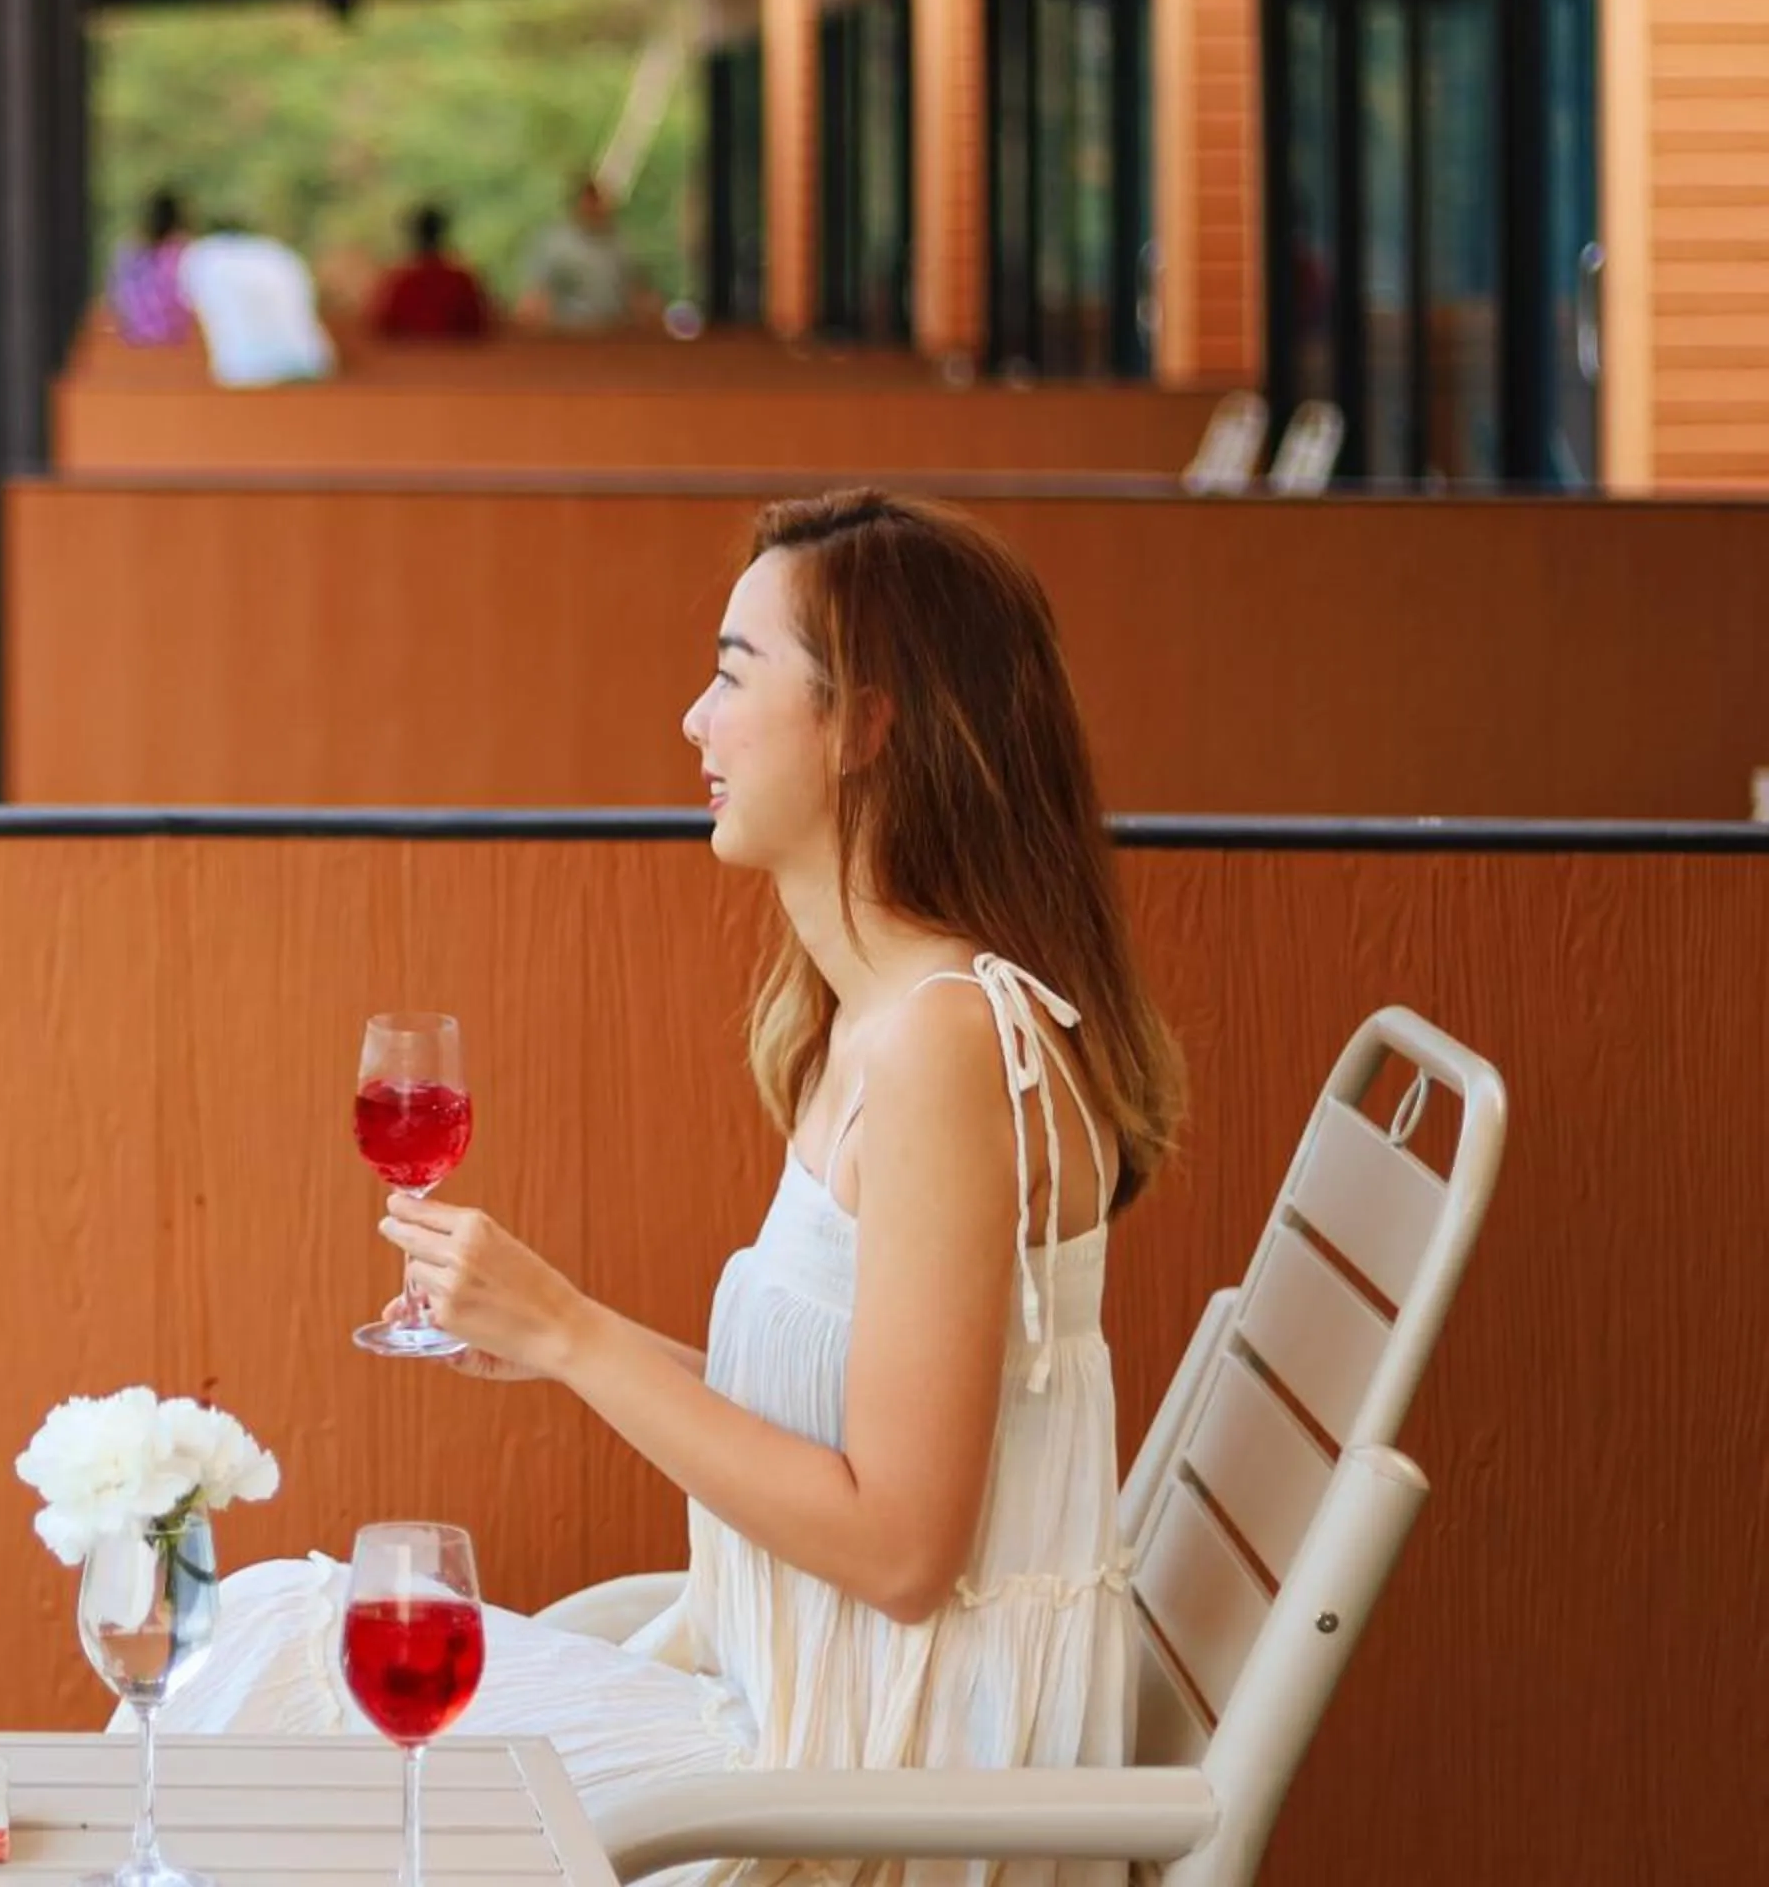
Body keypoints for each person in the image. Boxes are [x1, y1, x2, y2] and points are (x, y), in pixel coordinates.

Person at [154, 490, 1189, 1887]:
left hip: (876, 1787)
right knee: (263, 1641)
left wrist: (574, 1330)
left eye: (734, 675)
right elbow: (854, 1423)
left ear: (865, 726)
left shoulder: (947, 1046)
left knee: (269, 1664)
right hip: (797, 1711)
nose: (695, 721)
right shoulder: (878, 1023)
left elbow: (901, 1548)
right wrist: (552, 1341)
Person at [174, 220, 335, 388]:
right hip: (309, 363)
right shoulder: (278, 252)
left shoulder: (203, 255)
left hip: (246, 372)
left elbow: (192, 309)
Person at [514, 177, 659, 332]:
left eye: (599, 201)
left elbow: (638, 292)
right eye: (590, 201)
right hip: (569, 333)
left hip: (616, 332)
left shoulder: (621, 246)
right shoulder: (554, 245)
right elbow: (536, 296)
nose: (595, 208)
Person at [365, 204, 494, 342]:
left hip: (410, 355)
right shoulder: (462, 282)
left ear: (413, 237)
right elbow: (478, 327)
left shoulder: (400, 284)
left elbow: (384, 330)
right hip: (454, 355)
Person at [107, 188, 194, 347]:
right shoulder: (184, 251)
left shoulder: (128, 248)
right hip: (176, 337)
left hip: (136, 335)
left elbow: (117, 295)